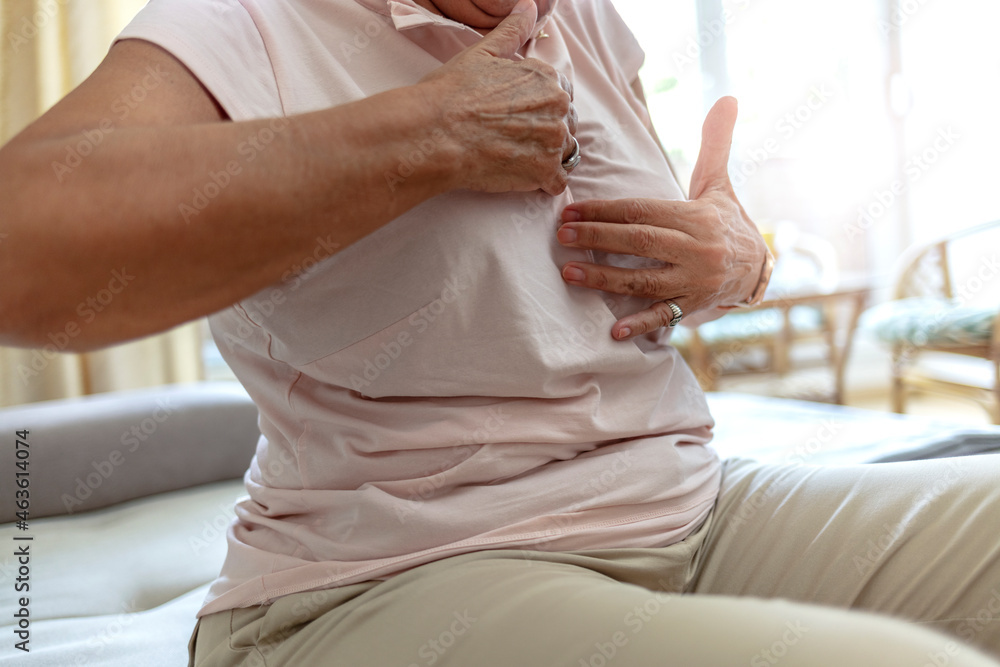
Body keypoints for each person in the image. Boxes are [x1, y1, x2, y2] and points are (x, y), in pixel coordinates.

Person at [1, 0, 999, 665]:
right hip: (390, 577)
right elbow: (22, 254)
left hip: (691, 503)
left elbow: (604, 279)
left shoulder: (581, 19)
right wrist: (417, 135)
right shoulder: (249, 21)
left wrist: (734, 259)